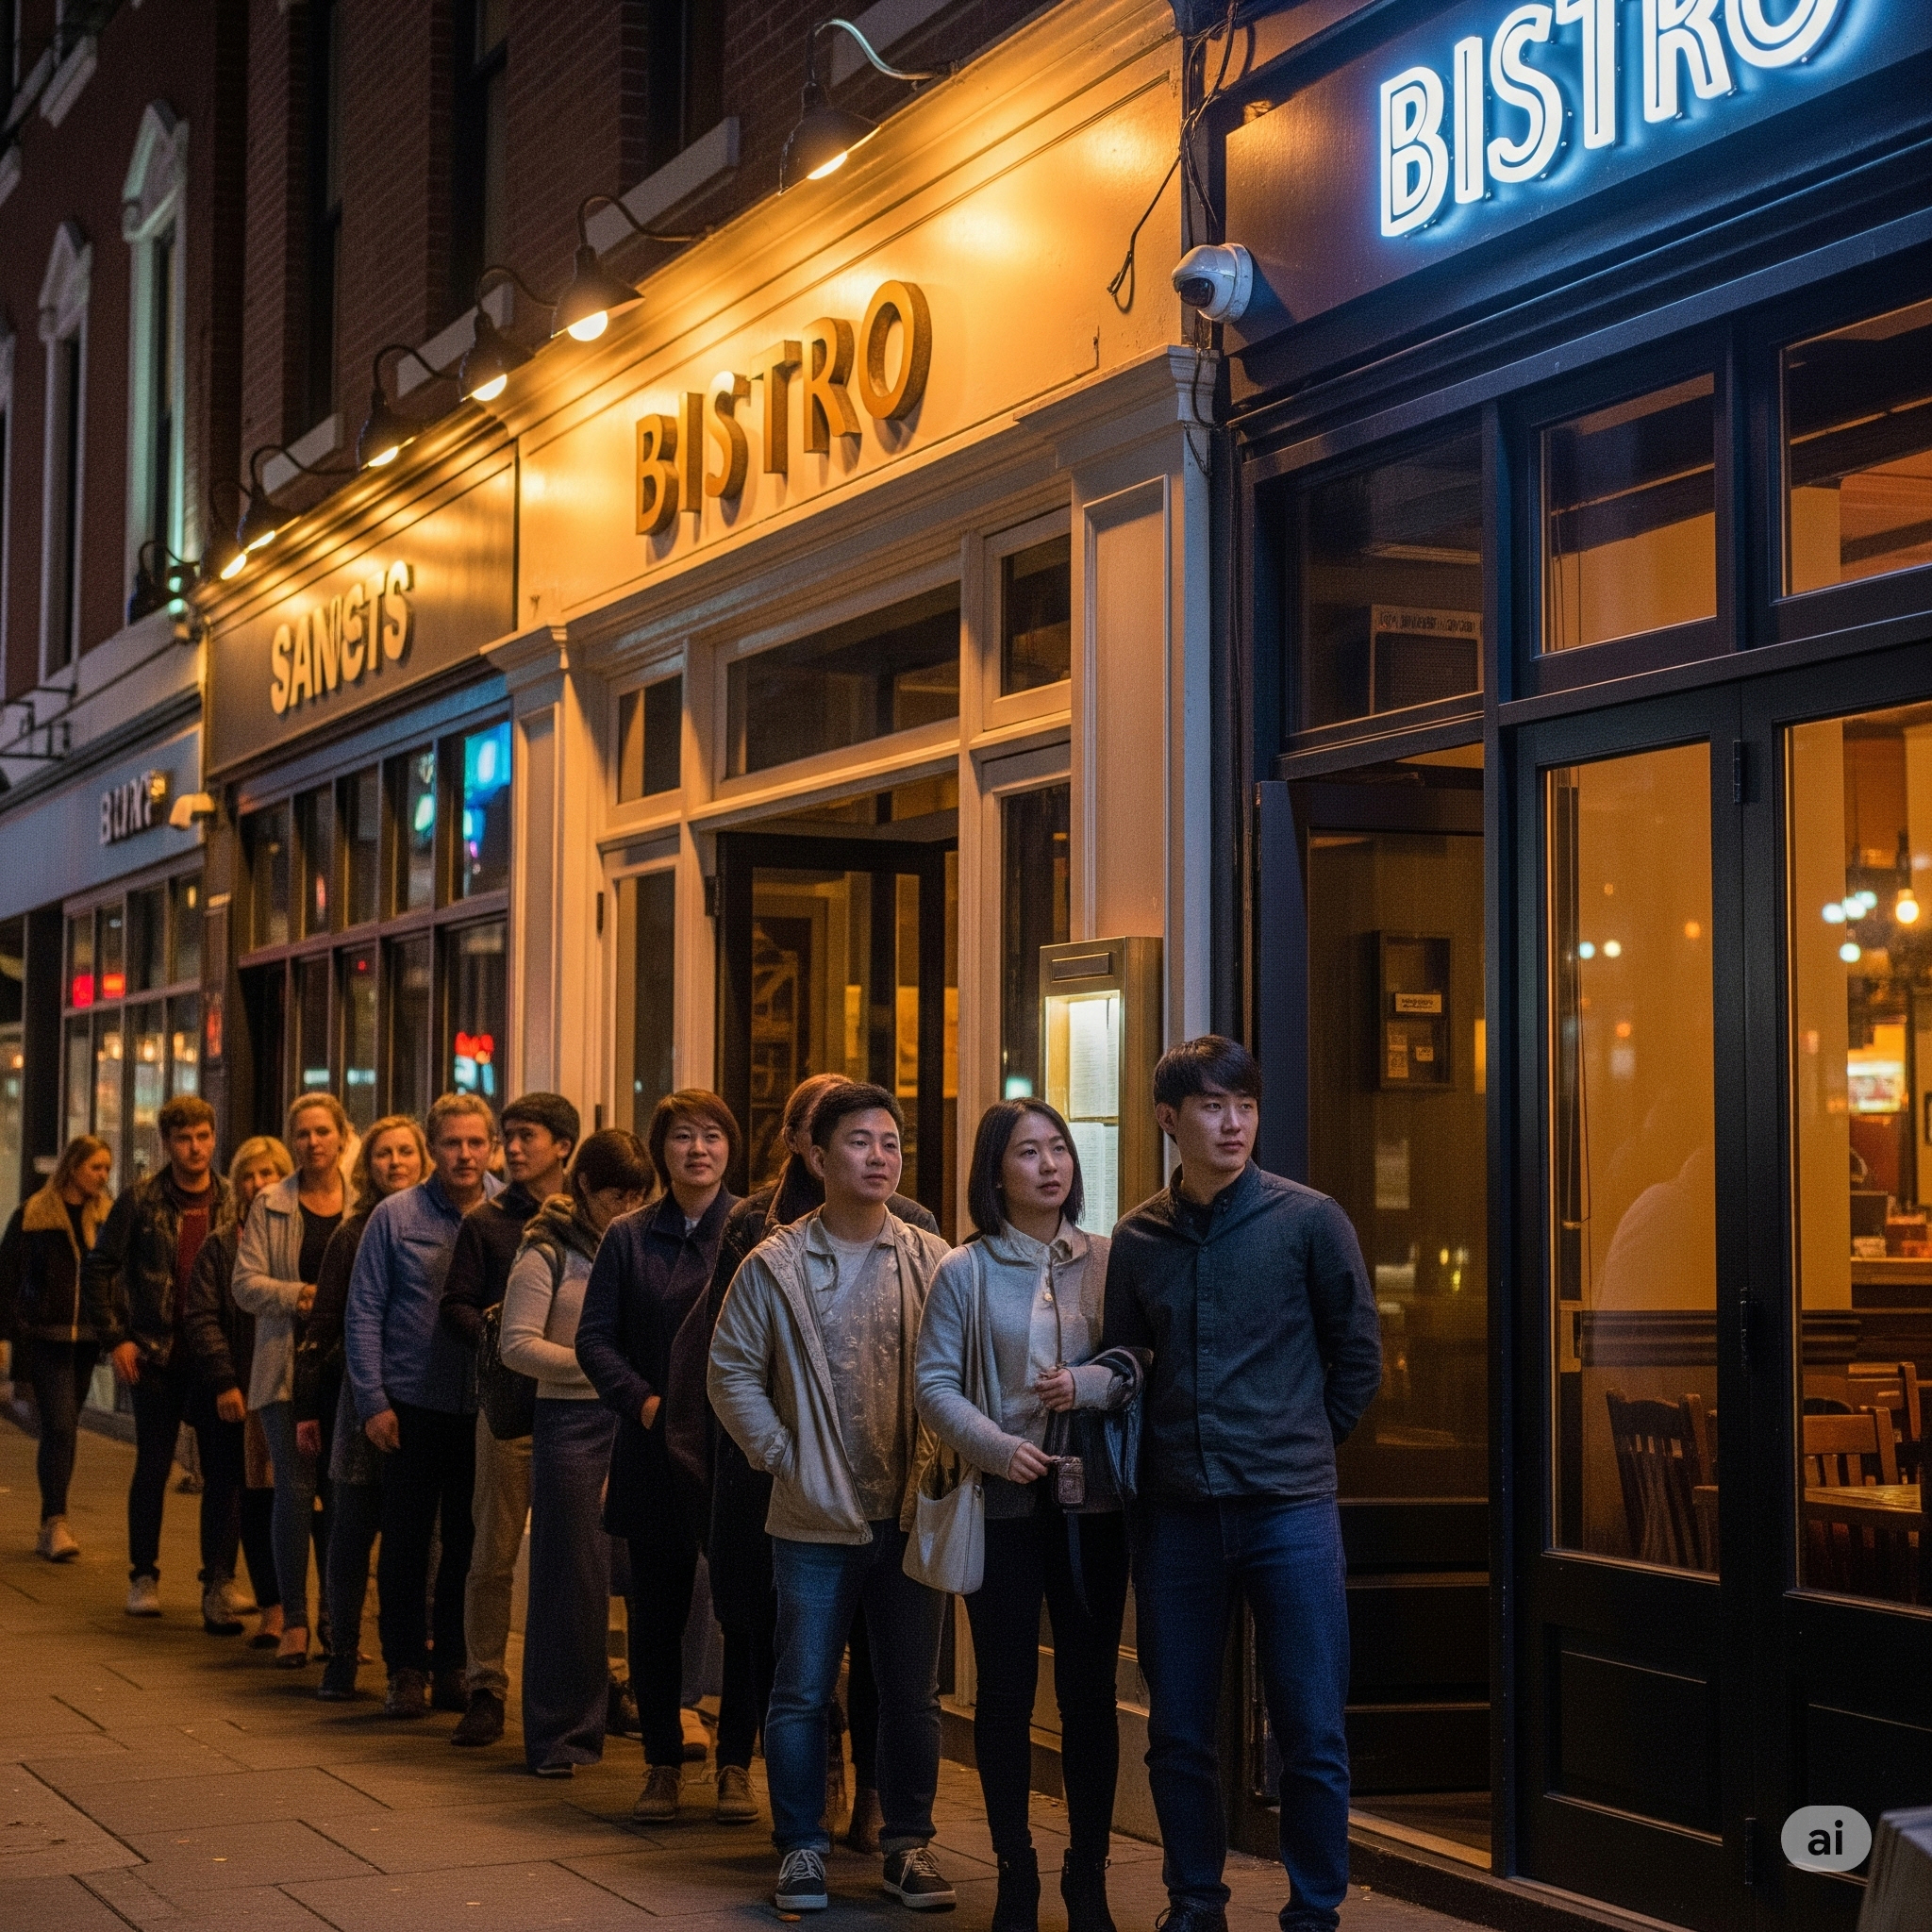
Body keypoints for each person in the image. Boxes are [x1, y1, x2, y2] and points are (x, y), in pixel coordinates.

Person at [1100, 1037, 1382, 1932]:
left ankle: (1315, 1911)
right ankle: (1194, 1901)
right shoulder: (1137, 1238)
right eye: (1213, 1108)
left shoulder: (1310, 1220)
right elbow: (1124, 1360)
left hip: (1290, 1509)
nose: (1232, 1124)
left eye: (1245, 1107)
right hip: (1177, 1512)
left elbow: (1358, 1356)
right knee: (1178, 1727)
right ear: (1168, 1119)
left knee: (1310, 1727)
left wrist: (1297, 1440)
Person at [671, 1072, 938, 1851]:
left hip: (911, 1510)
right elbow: (728, 1370)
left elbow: (961, 1365)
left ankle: (906, 1842)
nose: (879, 1157)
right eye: (859, 1142)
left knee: (910, 1693)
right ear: (817, 1157)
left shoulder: (929, 1254)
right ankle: (801, 1845)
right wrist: (784, 1456)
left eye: (890, 1143)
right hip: (810, 1514)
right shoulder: (773, 1257)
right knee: (800, 1686)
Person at [915, 1100, 1136, 1932]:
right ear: (993, 1172)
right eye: (1027, 1153)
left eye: (1058, 1150)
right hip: (1002, 1502)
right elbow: (934, 1385)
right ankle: (1016, 1872)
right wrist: (996, 1447)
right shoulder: (964, 1272)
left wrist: (1094, 1384)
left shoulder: (1110, 1260)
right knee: (1005, 1696)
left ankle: (1089, 1875)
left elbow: (1141, 1363)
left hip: (1093, 1506)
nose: (1049, 1166)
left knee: (1087, 1693)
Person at [576, 1090, 741, 1822]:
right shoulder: (629, 1237)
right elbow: (594, 1339)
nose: (698, 1149)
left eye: (711, 1135)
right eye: (682, 1137)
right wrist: (646, 1404)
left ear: (731, 1147)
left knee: (744, 1612)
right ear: (660, 1150)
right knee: (656, 1611)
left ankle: (736, 1762)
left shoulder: (756, 1230)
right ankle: (661, 1764)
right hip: (650, 1448)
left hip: (739, 1451)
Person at [344, 1091, 500, 1718]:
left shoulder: (510, 1210)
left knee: (470, 1544)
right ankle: (404, 1667)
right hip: (412, 1403)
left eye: (475, 1143)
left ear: (490, 1145)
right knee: (406, 1543)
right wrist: (372, 1399)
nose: (464, 1155)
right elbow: (364, 1308)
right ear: (432, 1148)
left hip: (485, 1406)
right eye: (451, 1143)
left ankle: (454, 1665)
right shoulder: (396, 1215)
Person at [504, 1128, 650, 1774]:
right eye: (619, 1194)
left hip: (635, 1422)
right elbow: (517, 1345)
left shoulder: (641, 1243)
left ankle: (656, 1708)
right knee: (573, 1582)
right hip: (571, 1423)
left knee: (653, 1572)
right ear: (585, 1186)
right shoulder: (546, 1251)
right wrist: (600, 1372)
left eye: (640, 1195)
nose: (630, 1206)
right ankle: (562, 1733)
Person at [438, 1091, 579, 1747]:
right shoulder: (490, 1222)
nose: (512, 1148)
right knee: (491, 1551)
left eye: (527, 1136)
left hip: (579, 1411)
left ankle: (599, 1680)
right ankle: (486, 1684)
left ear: (564, 1145)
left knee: (582, 1554)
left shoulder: (589, 1221)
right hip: (510, 1408)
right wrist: (498, 1330)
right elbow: (456, 1305)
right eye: (509, 1136)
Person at [80, 1096, 233, 1617]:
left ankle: (218, 1577)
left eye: (203, 1137)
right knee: (152, 1467)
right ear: (168, 1143)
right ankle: (143, 1575)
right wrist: (116, 1337)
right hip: (154, 1354)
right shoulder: (141, 1200)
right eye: (185, 1138)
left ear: (214, 1138)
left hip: (215, 1357)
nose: (195, 1148)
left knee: (223, 1471)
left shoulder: (232, 1200)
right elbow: (99, 1268)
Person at [297, 1115, 427, 1700]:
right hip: (360, 1403)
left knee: (422, 1537)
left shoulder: (449, 1222)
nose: (395, 1163)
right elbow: (325, 1325)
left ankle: (416, 1652)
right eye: (382, 1154)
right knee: (351, 1532)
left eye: (405, 1152)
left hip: (424, 1405)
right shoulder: (354, 1233)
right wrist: (308, 1407)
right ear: (366, 1164)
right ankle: (341, 1651)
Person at [233, 1092, 347, 1666]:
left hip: (345, 1372)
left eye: (323, 1131)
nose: (313, 1143)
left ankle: (336, 1620)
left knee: (341, 1495)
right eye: (302, 1133)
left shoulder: (364, 1206)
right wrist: (299, 1296)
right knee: (295, 1495)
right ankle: (295, 1622)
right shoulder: (271, 1204)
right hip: (283, 1370)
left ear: (342, 1137)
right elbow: (244, 1284)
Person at [181, 1136, 295, 1636]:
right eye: (248, 1174)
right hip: (231, 1388)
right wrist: (225, 1381)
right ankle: (218, 1585)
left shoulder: (295, 1238)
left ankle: (285, 1602)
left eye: (267, 1173)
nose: (257, 1183)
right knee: (228, 1487)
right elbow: (201, 1315)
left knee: (276, 1494)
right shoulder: (221, 1243)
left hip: (280, 1385)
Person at [2, 1135, 115, 1561]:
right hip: (46, 1338)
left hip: (86, 1340)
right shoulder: (34, 1216)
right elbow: (8, 1277)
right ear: (72, 1168)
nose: (103, 1176)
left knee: (63, 1428)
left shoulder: (107, 1219)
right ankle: (55, 1521)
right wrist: (9, 1334)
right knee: (62, 1427)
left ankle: (53, 1521)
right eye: (95, 1168)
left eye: (107, 1168)